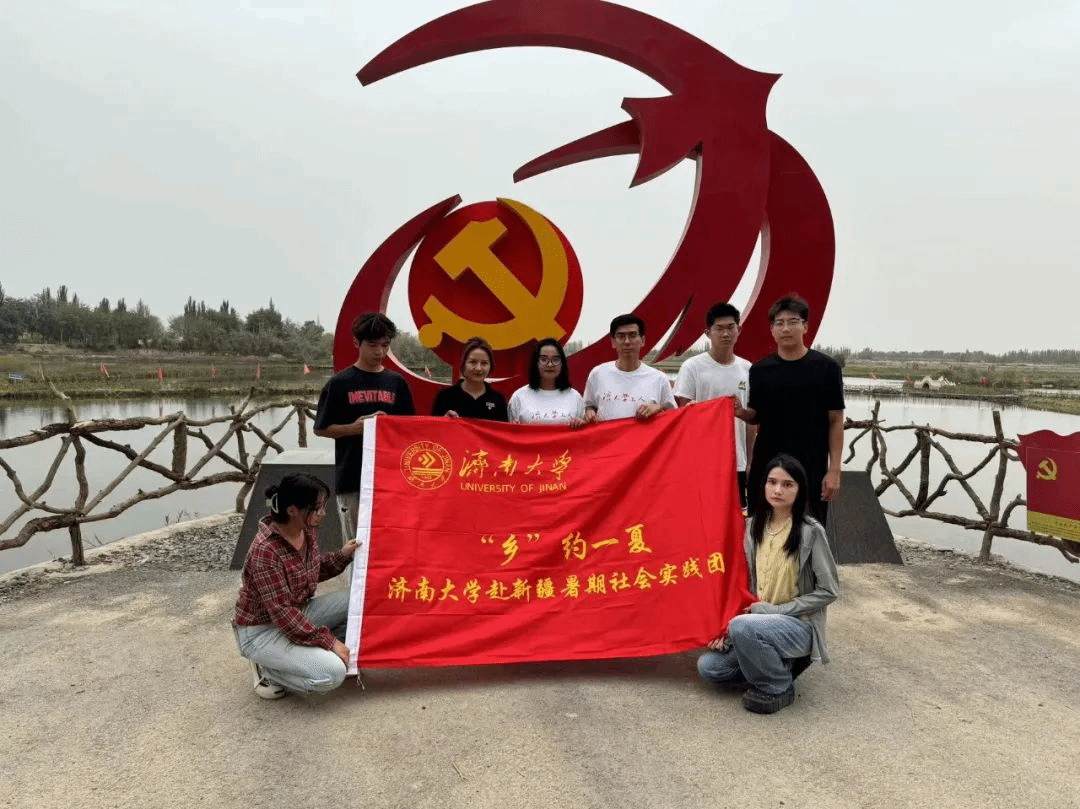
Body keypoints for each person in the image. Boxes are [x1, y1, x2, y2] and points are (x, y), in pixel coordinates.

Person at [697, 454, 839, 714]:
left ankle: (778, 684)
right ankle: (771, 664)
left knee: (742, 628)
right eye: (772, 482)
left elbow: (829, 591)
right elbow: (743, 585)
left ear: (800, 489)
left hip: (798, 625)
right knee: (709, 667)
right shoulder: (752, 528)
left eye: (787, 484)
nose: (777, 490)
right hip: (756, 622)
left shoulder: (810, 532)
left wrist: (774, 611)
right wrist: (726, 627)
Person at [233, 474, 360, 699]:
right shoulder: (266, 551)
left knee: (359, 601)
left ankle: (299, 654)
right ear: (292, 510)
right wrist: (329, 641)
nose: (323, 513)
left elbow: (313, 570)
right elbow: (282, 612)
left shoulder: (306, 531)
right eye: (317, 509)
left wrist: (343, 555)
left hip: (298, 613)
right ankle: (268, 670)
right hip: (262, 631)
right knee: (333, 674)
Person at [736, 294, 844, 524]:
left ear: (805, 326)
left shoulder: (827, 368)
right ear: (772, 330)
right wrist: (741, 412)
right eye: (779, 323)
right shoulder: (760, 370)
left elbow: (835, 420)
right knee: (763, 530)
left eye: (793, 322)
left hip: (811, 465)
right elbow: (756, 415)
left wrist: (834, 469)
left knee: (808, 531)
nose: (785, 328)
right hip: (768, 464)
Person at [313, 312, 415, 543]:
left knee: (389, 544)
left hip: (390, 480)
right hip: (352, 479)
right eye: (372, 345)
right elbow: (320, 428)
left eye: (385, 345)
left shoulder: (397, 383)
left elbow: (409, 428)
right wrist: (355, 429)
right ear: (356, 342)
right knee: (355, 546)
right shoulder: (339, 383)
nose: (379, 352)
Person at [673, 301, 756, 507]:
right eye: (719, 329)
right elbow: (683, 414)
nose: (725, 334)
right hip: (701, 462)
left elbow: (750, 422)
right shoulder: (692, 367)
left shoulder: (748, 369)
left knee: (736, 517)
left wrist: (750, 461)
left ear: (739, 330)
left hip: (737, 462)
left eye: (730, 327)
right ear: (707, 333)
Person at [582, 314, 675, 422]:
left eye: (632, 335)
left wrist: (658, 409)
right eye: (621, 336)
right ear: (613, 342)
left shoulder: (659, 379)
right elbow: (588, 406)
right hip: (608, 433)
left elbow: (673, 418)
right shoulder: (598, 374)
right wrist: (589, 412)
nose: (627, 341)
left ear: (643, 340)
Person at [507, 338, 586, 425]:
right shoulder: (519, 397)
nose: (550, 364)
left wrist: (581, 424)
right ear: (536, 363)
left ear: (562, 364)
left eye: (555, 359)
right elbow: (510, 431)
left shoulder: (575, 398)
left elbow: (584, 431)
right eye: (544, 359)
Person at [431, 336, 509, 421]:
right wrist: (444, 420)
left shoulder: (498, 399)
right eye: (473, 362)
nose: (478, 368)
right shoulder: (445, 396)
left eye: (484, 363)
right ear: (464, 364)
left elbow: (503, 429)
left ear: (490, 366)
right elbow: (433, 427)